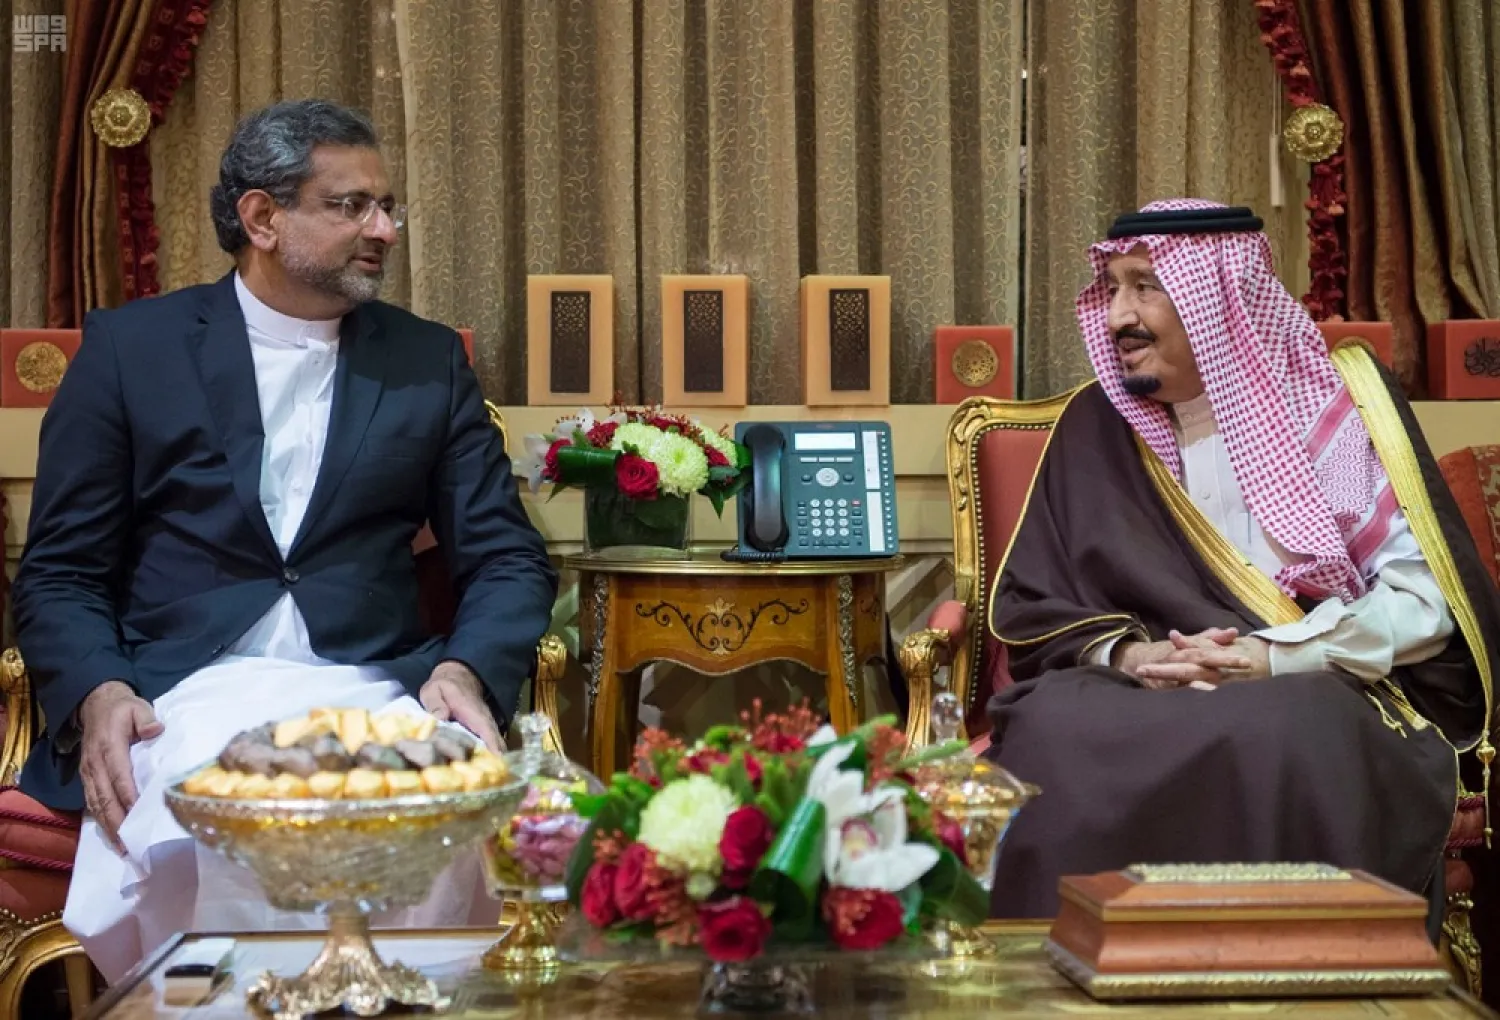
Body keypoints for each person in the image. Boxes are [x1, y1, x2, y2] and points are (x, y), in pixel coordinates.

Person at [11, 99, 558, 981]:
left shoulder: (424, 361)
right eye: (351, 206)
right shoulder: (132, 349)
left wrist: (464, 671)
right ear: (262, 218)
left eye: (388, 207)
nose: (383, 229)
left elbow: (504, 555)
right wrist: (99, 690)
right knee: (213, 821)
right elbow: (61, 570)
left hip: (376, 688)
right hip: (184, 690)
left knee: (441, 814)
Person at [984, 199, 1500, 933]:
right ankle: (1062, 988)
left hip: (1313, 679)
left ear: (1218, 293)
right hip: (1144, 685)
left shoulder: (1337, 408)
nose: (1117, 317)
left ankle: (1283, 985)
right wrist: (1133, 654)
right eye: (1113, 287)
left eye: (1145, 287)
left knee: (1289, 729)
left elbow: (1422, 601)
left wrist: (1278, 655)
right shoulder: (1093, 428)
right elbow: (1039, 605)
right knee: (1051, 726)